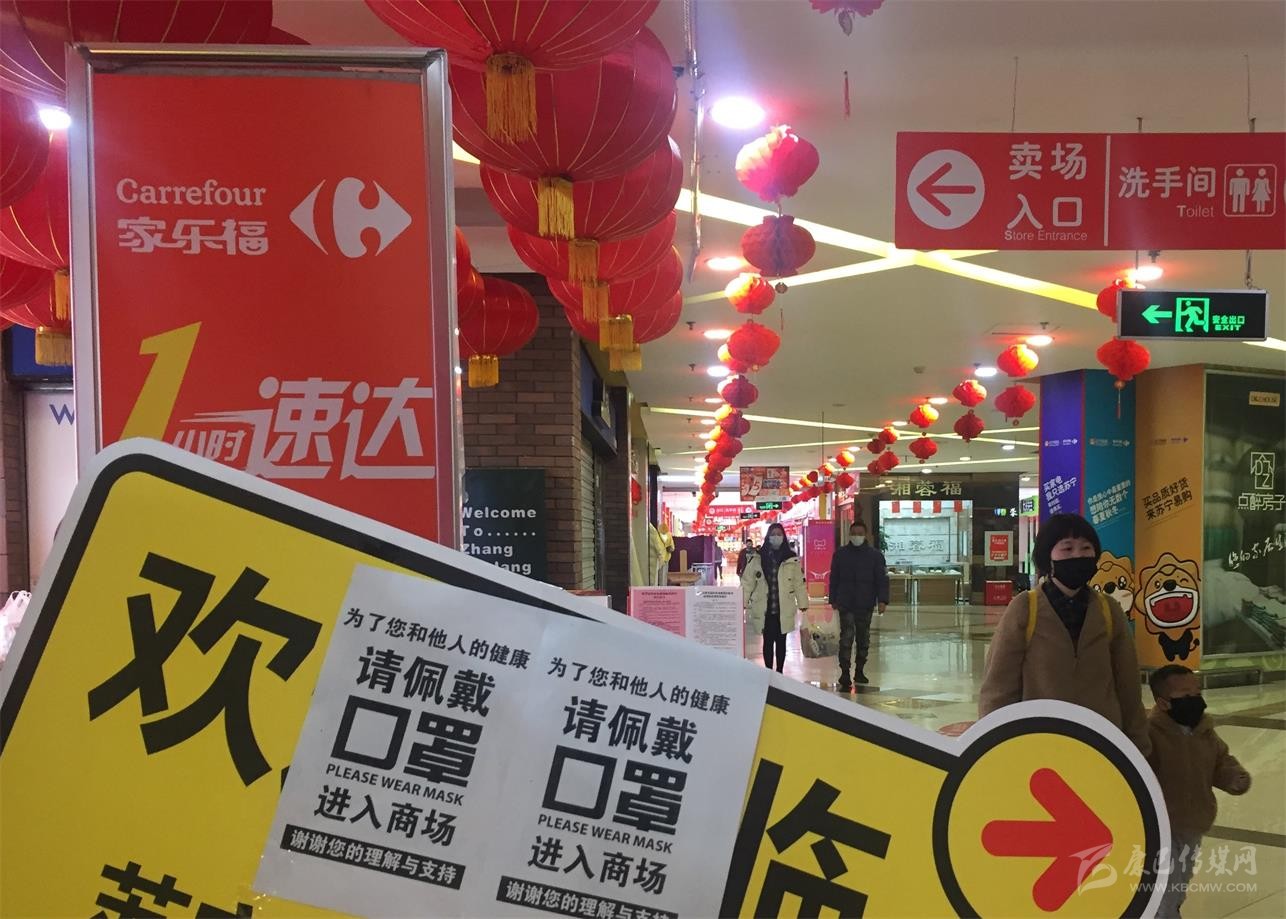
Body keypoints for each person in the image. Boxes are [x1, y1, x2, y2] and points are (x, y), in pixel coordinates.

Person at [979, 513, 1151, 754]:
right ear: (1047, 557)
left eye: (1086, 548)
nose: (1077, 556)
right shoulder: (1026, 608)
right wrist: (993, 745)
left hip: (1102, 742)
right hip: (1040, 742)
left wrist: (1138, 745)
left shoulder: (1108, 609)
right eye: (1067, 548)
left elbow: (1128, 685)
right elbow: (999, 686)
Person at [1147, 664, 1251, 918]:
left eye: (1197, 693)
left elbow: (1220, 761)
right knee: (1164, 884)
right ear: (1163, 703)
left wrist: (1233, 777)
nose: (1195, 700)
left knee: (1181, 879)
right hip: (1162, 824)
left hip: (1194, 821)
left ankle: (1171, 909)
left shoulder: (1205, 731)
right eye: (1186, 695)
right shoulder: (1151, 733)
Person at [828, 521, 889, 690]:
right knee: (846, 638)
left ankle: (860, 670)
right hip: (845, 602)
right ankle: (845, 672)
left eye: (860, 533)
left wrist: (882, 600)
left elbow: (882, 580)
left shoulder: (875, 556)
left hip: (865, 602)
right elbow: (834, 578)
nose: (856, 536)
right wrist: (833, 598)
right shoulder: (840, 554)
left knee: (863, 638)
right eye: (854, 533)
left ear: (866, 535)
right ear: (849, 534)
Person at [742, 522, 809, 673]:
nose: (776, 537)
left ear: (783, 537)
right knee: (767, 641)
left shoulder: (791, 559)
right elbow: (748, 582)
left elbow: (798, 583)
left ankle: (779, 671)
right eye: (773, 534)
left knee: (781, 641)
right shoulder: (758, 557)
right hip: (764, 607)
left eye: (779, 534)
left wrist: (803, 603)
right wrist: (742, 602)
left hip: (783, 607)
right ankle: (768, 672)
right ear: (768, 537)